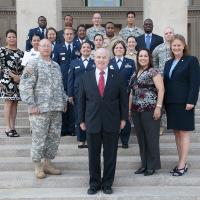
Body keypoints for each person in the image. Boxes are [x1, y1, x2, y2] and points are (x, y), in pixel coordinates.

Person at [78, 48, 128, 195]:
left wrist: (123, 118)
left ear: (109, 59)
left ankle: (107, 183)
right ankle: (94, 183)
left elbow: (123, 101)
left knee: (110, 155)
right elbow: (81, 101)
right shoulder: (85, 77)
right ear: (94, 59)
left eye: (104, 57)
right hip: (92, 121)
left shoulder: (117, 77)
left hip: (112, 122)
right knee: (93, 155)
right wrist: (81, 120)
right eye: (98, 57)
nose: (101, 60)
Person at [19, 39, 67, 179]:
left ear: (52, 48)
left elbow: (60, 85)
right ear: (38, 47)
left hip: (55, 109)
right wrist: (31, 104)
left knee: (53, 138)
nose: (46, 48)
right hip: (39, 109)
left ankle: (48, 163)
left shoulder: (56, 66)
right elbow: (25, 85)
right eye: (43, 45)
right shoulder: (33, 64)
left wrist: (63, 100)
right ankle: (38, 166)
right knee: (39, 138)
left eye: (48, 46)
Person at [164, 34, 200, 176]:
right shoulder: (168, 63)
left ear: (184, 46)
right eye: (174, 45)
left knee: (184, 132)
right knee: (176, 133)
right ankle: (182, 161)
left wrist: (191, 101)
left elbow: (195, 83)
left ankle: (181, 164)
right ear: (171, 47)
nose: (176, 48)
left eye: (179, 45)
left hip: (185, 103)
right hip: (171, 103)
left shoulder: (191, 61)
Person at [129, 48, 164, 176]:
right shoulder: (135, 73)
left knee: (151, 138)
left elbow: (161, 89)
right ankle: (144, 164)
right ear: (137, 58)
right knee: (141, 139)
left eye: (145, 56)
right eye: (140, 56)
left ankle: (152, 166)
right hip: (136, 111)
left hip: (150, 110)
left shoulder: (154, 71)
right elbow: (132, 93)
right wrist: (129, 109)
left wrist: (158, 107)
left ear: (149, 58)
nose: (143, 58)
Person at [53, 27, 80, 136]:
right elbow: (55, 64)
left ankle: (72, 129)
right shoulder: (58, 47)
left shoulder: (79, 47)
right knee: (63, 106)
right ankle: (63, 129)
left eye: (71, 34)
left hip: (75, 81)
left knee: (73, 106)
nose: (69, 36)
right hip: (62, 81)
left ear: (74, 35)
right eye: (67, 34)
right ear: (63, 36)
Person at [68, 42, 95, 148]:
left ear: (91, 50)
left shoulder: (94, 62)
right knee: (79, 116)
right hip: (77, 93)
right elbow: (70, 79)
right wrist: (70, 94)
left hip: (92, 94)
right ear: (80, 50)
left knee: (90, 116)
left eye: (88, 47)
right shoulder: (74, 62)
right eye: (84, 47)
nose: (86, 49)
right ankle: (81, 139)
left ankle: (89, 139)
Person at [109, 40, 136, 148]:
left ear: (124, 50)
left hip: (126, 93)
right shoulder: (109, 62)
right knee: (113, 117)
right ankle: (114, 139)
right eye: (116, 48)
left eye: (121, 48)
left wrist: (130, 89)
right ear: (113, 50)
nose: (119, 49)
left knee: (125, 117)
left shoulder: (130, 62)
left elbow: (133, 78)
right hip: (112, 95)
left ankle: (125, 141)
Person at [0, 29, 24, 137]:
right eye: (9, 37)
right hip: (7, 81)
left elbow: (24, 67)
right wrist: (13, 76)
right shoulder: (2, 51)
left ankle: (13, 127)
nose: (11, 39)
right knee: (8, 102)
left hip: (18, 81)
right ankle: (7, 127)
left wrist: (20, 77)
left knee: (15, 103)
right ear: (6, 38)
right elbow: (2, 66)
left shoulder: (21, 52)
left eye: (13, 37)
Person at [152, 27, 175, 135]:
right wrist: (157, 75)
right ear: (164, 35)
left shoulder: (177, 47)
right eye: (166, 33)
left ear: (173, 34)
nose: (168, 35)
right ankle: (160, 126)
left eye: (170, 33)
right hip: (161, 80)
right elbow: (154, 62)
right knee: (160, 102)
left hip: (175, 79)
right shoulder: (158, 48)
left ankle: (175, 123)